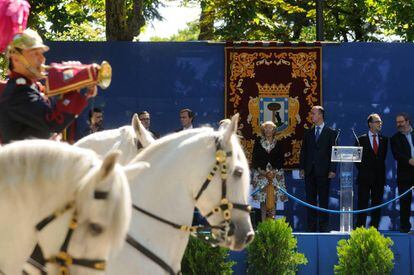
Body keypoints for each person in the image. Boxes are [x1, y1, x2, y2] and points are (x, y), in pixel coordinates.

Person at [0, 29, 97, 144]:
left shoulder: (31, 87)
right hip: (25, 161)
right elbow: (53, 122)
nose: (42, 59)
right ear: (16, 59)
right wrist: (74, 89)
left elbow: (57, 116)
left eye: (41, 53)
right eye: (35, 53)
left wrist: (80, 89)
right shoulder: (18, 91)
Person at [299, 105, 337, 232]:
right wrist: (302, 168)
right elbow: (304, 152)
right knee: (310, 200)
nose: (311, 115)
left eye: (313, 113)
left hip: (324, 172)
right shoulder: (308, 132)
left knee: (323, 200)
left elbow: (334, 152)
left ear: (320, 115)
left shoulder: (331, 132)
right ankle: (311, 227)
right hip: (310, 171)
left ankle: (323, 226)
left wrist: (333, 169)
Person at [355, 113, 388, 229]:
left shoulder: (384, 140)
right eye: (377, 122)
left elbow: (382, 159)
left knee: (377, 205)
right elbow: (356, 160)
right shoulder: (360, 139)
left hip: (378, 179)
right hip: (364, 178)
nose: (380, 124)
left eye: (380, 122)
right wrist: (365, 172)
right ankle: (360, 229)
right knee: (362, 204)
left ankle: (374, 229)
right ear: (370, 124)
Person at [251, 121, 287, 223]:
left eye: (270, 128)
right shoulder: (258, 142)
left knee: (273, 199)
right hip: (261, 174)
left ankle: (272, 224)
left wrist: (274, 172)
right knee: (263, 200)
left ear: (274, 130)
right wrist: (262, 172)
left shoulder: (278, 143)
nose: (268, 130)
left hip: (275, 175)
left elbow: (281, 160)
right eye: (266, 128)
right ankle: (263, 224)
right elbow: (254, 159)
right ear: (263, 130)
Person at [390, 113, 414, 233]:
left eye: (401, 122)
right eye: (397, 122)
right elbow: (397, 155)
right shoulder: (395, 138)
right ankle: (405, 228)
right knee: (405, 202)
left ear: (407, 121)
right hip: (405, 175)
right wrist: (409, 161)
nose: (399, 124)